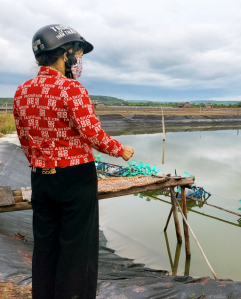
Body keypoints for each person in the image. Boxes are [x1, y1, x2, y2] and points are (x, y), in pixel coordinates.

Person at [13, 24, 134, 298]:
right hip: (75, 178)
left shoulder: (21, 91)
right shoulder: (71, 89)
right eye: (77, 53)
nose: (78, 60)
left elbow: (24, 138)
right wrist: (120, 150)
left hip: (40, 177)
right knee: (78, 249)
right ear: (64, 52)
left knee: (45, 246)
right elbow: (93, 134)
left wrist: (41, 162)